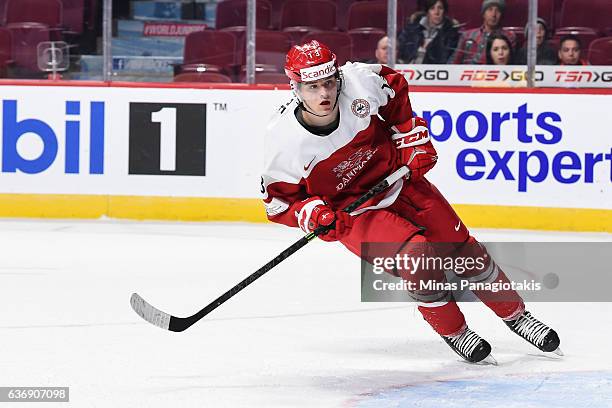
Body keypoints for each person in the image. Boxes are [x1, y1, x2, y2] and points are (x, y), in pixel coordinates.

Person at [260, 40, 562, 363]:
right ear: (295, 87)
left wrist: (409, 136)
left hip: (400, 181)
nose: (325, 94)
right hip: (358, 213)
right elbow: (278, 203)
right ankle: (456, 331)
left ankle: (516, 315)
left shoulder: (359, 81)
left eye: (329, 83)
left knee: (464, 250)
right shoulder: (284, 141)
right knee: (418, 258)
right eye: (313, 87)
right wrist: (312, 213)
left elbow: (395, 89)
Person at [450, 0, 516, 64]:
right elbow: (454, 61)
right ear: (483, 14)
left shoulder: (509, 36)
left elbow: (512, 65)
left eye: (498, 11)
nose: (493, 14)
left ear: (502, 15)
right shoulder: (467, 36)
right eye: (490, 9)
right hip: (468, 73)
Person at [397, 0, 460, 64]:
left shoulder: (451, 34)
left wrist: (429, 48)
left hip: (435, 70)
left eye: (440, 8)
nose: (436, 12)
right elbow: (400, 52)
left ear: (444, 11)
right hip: (408, 69)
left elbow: (444, 58)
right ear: (427, 12)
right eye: (432, 8)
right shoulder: (411, 30)